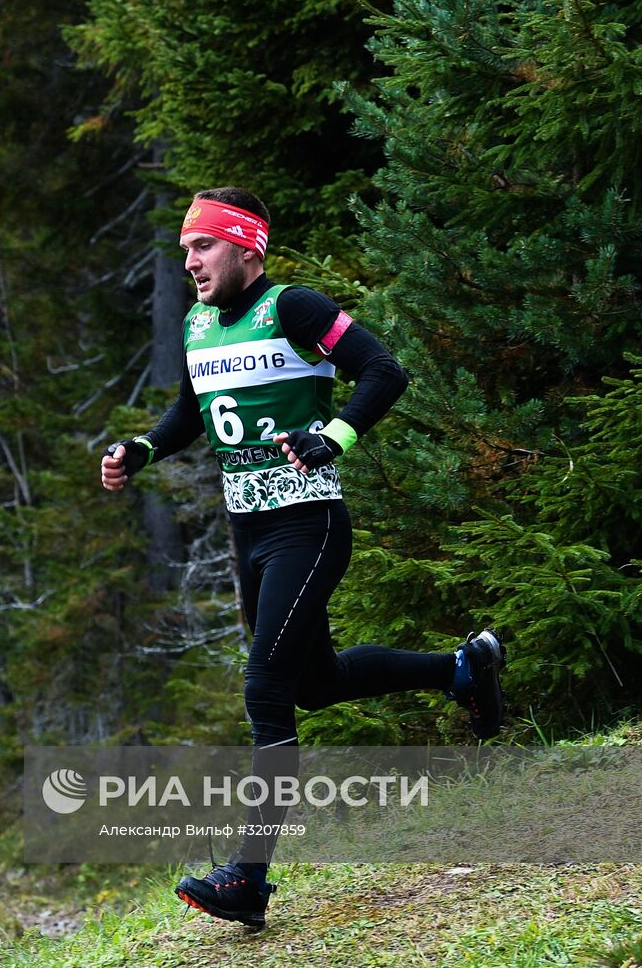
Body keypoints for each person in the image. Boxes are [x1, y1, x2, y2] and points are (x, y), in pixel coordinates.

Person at [99, 187, 506, 929]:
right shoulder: (195, 322)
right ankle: (462, 667)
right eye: (187, 247)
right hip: (249, 532)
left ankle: (248, 877)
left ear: (246, 249)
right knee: (315, 684)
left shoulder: (294, 307)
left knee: (265, 687)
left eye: (204, 246)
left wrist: (334, 437)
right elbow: (193, 412)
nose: (189, 260)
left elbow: (383, 371)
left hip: (308, 524)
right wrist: (143, 448)